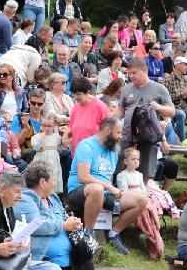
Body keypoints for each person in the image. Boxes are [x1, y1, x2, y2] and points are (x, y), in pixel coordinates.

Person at [67, 117, 148, 255]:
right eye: (118, 133)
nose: (120, 137)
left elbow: (108, 176)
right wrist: (109, 187)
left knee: (141, 200)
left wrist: (112, 189)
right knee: (97, 189)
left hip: (104, 192)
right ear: (107, 130)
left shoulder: (113, 150)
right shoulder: (86, 145)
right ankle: (89, 233)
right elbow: (83, 177)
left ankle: (113, 234)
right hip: (79, 190)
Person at [68, 77, 110, 154]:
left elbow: (109, 131)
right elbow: (71, 127)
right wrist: (66, 136)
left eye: (78, 94)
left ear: (87, 92)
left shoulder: (100, 107)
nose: (75, 97)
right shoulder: (76, 107)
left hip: (94, 154)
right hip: (77, 153)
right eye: (74, 94)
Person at [31, 113, 65, 194]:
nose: (46, 128)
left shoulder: (57, 137)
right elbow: (36, 148)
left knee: (52, 178)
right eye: (44, 125)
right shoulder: (36, 137)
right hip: (41, 162)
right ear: (41, 125)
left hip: (54, 162)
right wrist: (41, 139)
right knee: (41, 178)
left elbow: (61, 148)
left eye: (49, 126)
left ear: (54, 126)